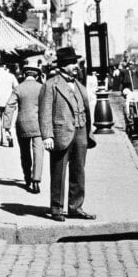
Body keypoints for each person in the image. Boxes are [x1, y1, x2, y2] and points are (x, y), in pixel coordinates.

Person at [39, 46, 96, 222]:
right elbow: (44, 111)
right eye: (72, 63)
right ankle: (56, 207)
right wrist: (47, 135)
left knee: (79, 171)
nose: (76, 66)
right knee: (58, 171)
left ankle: (75, 207)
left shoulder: (79, 85)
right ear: (63, 65)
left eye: (76, 63)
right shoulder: (51, 85)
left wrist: (88, 131)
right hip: (60, 133)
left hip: (80, 132)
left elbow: (85, 109)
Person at [15, 65, 44, 194]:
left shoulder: (18, 88)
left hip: (22, 124)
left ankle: (27, 176)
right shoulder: (42, 88)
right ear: (37, 76)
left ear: (25, 75)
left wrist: (5, 125)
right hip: (38, 124)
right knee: (38, 151)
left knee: (24, 151)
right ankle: (36, 179)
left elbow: (10, 105)